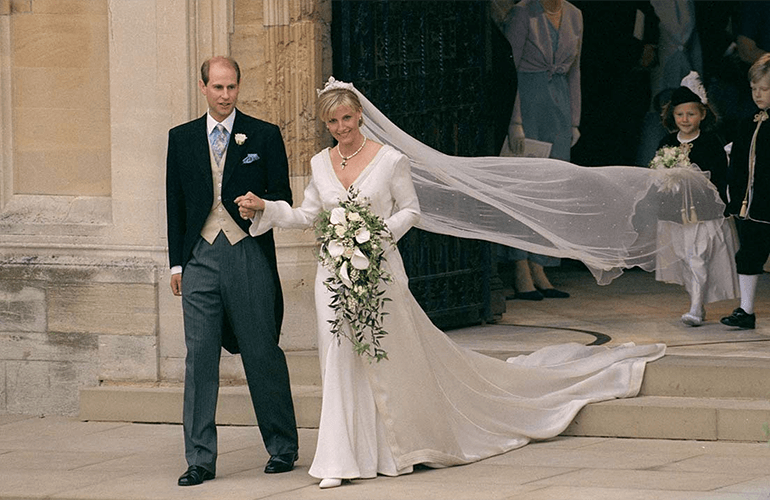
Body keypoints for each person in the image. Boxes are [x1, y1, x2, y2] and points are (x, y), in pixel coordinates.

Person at [236, 78, 666, 490]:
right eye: (333, 122)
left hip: (380, 273)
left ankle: (394, 449)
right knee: (338, 361)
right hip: (332, 277)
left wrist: (374, 235)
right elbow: (308, 214)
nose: (341, 128)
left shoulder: (389, 160)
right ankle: (340, 457)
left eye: (347, 118)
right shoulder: (318, 163)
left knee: (389, 359)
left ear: (359, 116)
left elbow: (411, 211)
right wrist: (266, 209)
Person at [165, 56, 298, 486]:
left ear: (239, 87)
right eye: (218, 88)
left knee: (262, 351)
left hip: (248, 253)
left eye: (232, 88)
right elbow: (176, 205)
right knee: (199, 358)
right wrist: (176, 263)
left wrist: (260, 206)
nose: (225, 96)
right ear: (202, 87)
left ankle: (282, 448)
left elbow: (283, 195)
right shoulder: (181, 138)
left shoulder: (264, 134)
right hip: (199, 258)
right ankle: (199, 459)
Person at [499, 0, 582, 300]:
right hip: (527, 104)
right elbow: (511, 66)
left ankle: (540, 264)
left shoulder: (574, 14)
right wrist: (514, 121)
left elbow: (575, 71)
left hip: (558, 108)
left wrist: (574, 120)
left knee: (550, 191)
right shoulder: (523, 12)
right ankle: (520, 265)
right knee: (524, 191)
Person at [653, 72, 738, 326]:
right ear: (672, 116)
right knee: (685, 258)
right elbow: (658, 176)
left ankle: (695, 308)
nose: (685, 119)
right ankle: (696, 303)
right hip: (676, 213)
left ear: (702, 114)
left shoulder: (710, 142)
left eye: (691, 114)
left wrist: (722, 204)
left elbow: (721, 177)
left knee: (698, 256)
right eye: (680, 114)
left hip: (703, 212)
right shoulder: (667, 142)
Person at [721, 53, 770, 330]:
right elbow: (739, 162)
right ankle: (746, 310)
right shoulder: (748, 121)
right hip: (750, 205)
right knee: (749, 254)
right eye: (754, 89)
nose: (758, 94)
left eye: (764, 89)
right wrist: (734, 197)